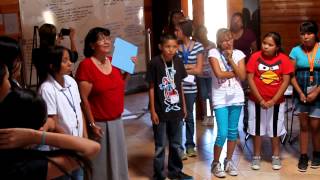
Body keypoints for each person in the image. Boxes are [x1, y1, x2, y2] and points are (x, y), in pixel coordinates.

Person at [0, 63, 100, 180]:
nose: (70, 64)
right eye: (7, 78)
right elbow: (92, 148)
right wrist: (36, 136)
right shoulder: (27, 167)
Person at [76, 27, 135, 180]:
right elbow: (83, 99)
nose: (106, 41)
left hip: (117, 121)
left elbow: (120, 87)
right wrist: (91, 124)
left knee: (118, 161)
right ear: (91, 45)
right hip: (99, 124)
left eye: (108, 38)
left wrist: (129, 70)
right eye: (101, 39)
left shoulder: (114, 61)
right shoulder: (86, 65)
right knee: (100, 165)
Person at [146, 33, 193, 180]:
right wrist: (152, 110)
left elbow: (179, 85)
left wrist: (184, 107)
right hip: (160, 111)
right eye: (168, 46)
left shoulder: (178, 62)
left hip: (177, 110)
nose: (171, 50)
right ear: (161, 47)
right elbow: (152, 87)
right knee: (160, 146)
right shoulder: (154, 63)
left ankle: (175, 172)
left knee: (176, 144)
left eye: (174, 46)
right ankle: (158, 175)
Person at [247, 32, 293, 170]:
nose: (266, 46)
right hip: (256, 101)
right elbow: (250, 78)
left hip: (277, 102)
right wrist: (260, 99)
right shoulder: (255, 57)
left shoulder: (284, 59)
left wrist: (273, 100)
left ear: (277, 47)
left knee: (275, 130)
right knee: (256, 129)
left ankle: (276, 156)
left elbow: (285, 81)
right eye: (264, 43)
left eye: (270, 45)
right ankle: (256, 156)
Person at [38, 45, 85, 179]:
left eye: (69, 59)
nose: (70, 63)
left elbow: (78, 109)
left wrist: (84, 139)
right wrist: (72, 144)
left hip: (77, 145)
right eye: (65, 61)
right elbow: (53, 122)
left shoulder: (71, 81)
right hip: (63, 149)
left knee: (79, 176)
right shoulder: (47, 88)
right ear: (52, 66)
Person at [208, 28, 246, 178]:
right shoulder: (213, 53)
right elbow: (219, 73)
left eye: (230, 39)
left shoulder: (238, 54)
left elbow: (243, 76)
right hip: (220, 98)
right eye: (224, 40)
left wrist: (230, 59)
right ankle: (215, 163)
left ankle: (228, 161)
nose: (227, 42)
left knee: (232, 132)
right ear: (218, 41)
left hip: (236, 96)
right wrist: (235, 72)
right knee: (222, 133)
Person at [289, 21, 320, 172]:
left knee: (315, 126)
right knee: (303, 125)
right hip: (300, 93)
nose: (305, 37)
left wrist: (316, 92)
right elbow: (291, 75)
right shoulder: (295, 51)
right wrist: (301, 93)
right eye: (302, 34)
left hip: (318, 93)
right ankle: (303, 156)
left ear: (316, 34)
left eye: (309, 33)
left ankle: (317, 153)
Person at [175, 20, 204, 159]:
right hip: (176, 87)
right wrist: (189, 67)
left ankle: (190, 145)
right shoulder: (175, 47)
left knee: (190, 116)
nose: (175, 33)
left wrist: (184, 68)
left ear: (184, 31)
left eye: (177, 31)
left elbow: (199, 70)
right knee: (178, 117)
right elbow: (174, 69)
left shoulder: (198, 46)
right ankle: (179, 148)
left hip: (191, 87)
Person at [194, 25, 216, 126]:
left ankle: (211, 116)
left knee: (211, 95)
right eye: (200, 33)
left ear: (206, 32)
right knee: (202, 95)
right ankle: (205, 116)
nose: (202, 34)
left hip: (211, 74)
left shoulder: (212, 44)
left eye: (204, 32)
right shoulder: (197, 46)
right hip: (200, 74)